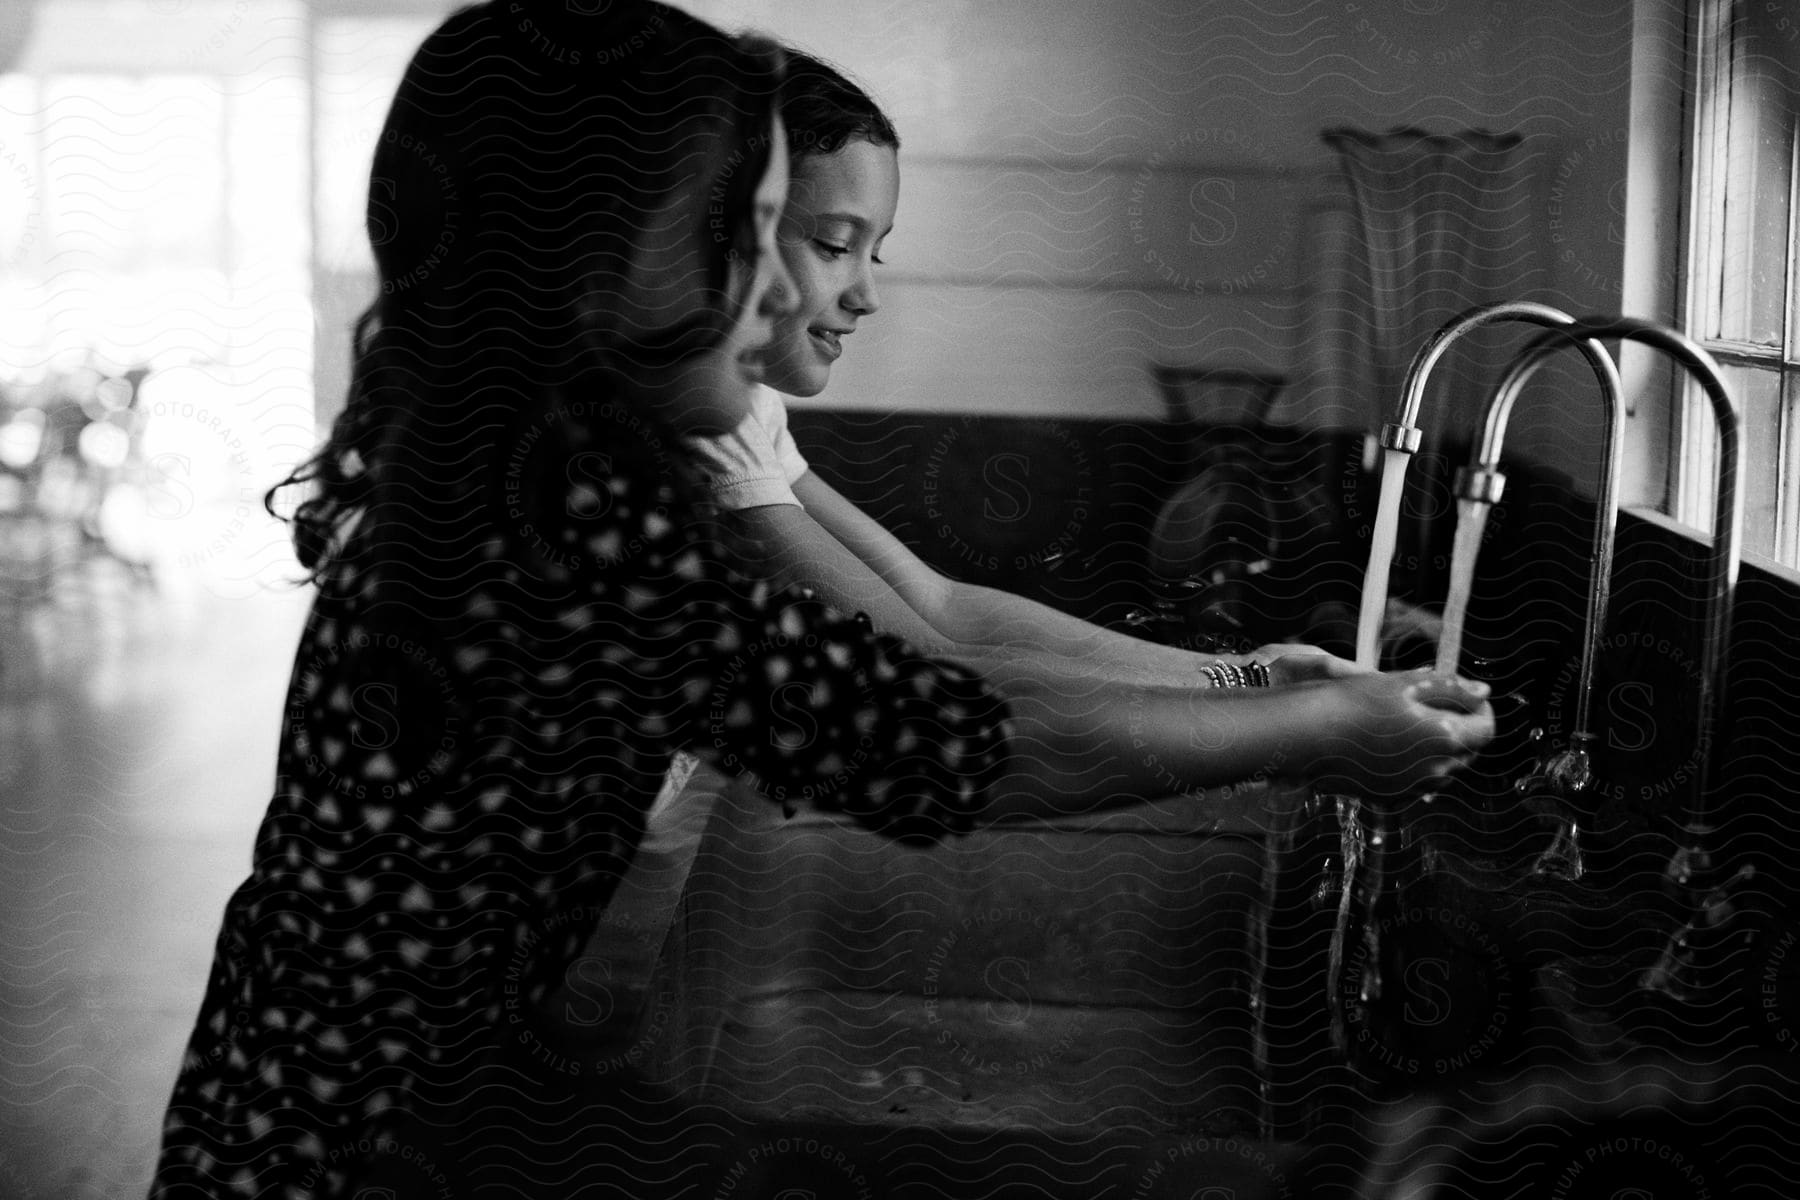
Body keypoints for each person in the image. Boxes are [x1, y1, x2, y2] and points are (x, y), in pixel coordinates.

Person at [148, 6, 1019, 1195]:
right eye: (771, 235)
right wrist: (1323, 723)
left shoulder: (535, 469)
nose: (784, 291)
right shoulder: (568, 533)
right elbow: (945, 734)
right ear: (609, 254)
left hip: (312, 1114)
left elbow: (935, 637)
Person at [686, 50, 1494, 814]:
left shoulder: (741, 410)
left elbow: (943, 605)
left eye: (876, 256)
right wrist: (1312, 729)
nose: (866, 295)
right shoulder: (680, 425)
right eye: (835, 245)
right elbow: (941, 685)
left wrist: (1250, 676)